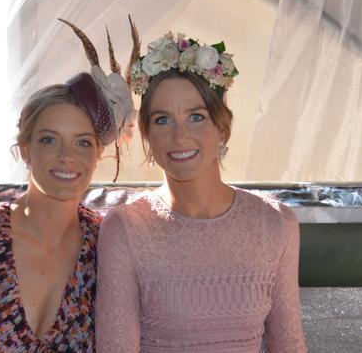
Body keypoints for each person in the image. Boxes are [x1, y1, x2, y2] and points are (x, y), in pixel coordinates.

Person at [0, 19, 136, 352]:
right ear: (25, 149)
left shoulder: (109, 247)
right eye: (50, 140)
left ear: (98, 155)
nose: (67, 156)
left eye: (82, 143)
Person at [96, 31, 307, 352]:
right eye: (163, 119)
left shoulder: (276, 224)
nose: (180, 135)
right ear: (147, 135)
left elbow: (289, 345)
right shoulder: (125, 229)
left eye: (196, 116)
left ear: (223, 127)